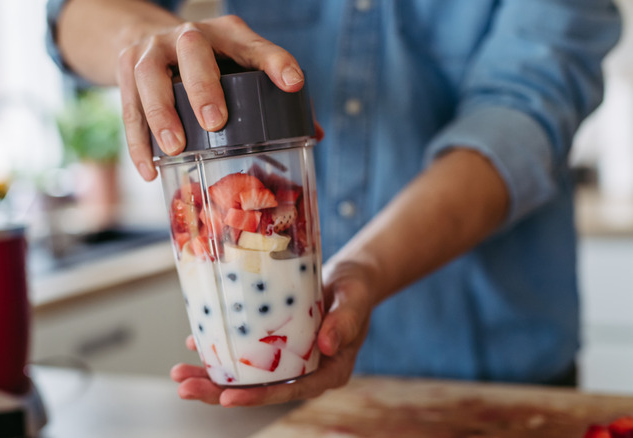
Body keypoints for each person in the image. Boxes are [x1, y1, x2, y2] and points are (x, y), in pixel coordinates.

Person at [46, 0, 622, 407]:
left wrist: (361, 270)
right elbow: (72, 13)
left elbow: (520, 124)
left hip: (495, 385)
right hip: (278, 391)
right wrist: (154, 42)